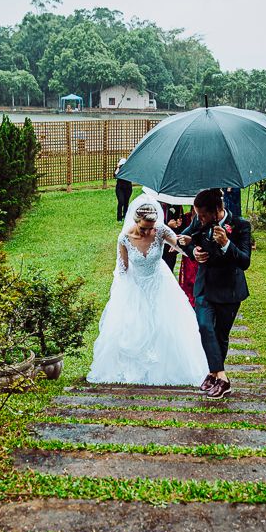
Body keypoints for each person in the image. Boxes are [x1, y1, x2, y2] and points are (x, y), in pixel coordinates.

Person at [87, 195, 209, 386]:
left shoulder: (160, 230)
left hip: (160, 282)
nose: (148, 232)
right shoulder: (125, 238)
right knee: (134, 327)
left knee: (166, 324)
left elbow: (179, 245)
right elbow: (122, 268)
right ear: (136, 222)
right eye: (144, 228)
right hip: (136, 284)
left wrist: (189, 249)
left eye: (151, 228)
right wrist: (125, 294)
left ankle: (165, 367)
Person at [176, 188, 252, 400]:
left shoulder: (240, 225)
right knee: (204, 326)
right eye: (197, 215)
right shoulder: (199, 221)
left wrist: (226, 243)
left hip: (230, 289)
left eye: (202, 215)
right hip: (205, 286)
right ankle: (223, 378)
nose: (198, 219)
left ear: (218, 210)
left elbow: (245, 261)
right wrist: (194, 252)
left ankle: (213, 374)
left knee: (220, 335)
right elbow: (186, 237)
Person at [115, 157, 134, 222]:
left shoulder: (129, 169)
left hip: (128, 188)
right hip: (120, 188)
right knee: (121, 201)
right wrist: (118, 167)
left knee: (126, 202)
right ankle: (119, 217)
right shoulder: (118, 169)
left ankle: (125, 216)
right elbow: (115, 175)